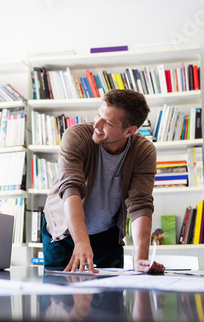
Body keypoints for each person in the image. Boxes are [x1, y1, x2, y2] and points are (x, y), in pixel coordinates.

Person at [42, 89, 164, 274]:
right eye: (98, 115)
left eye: (106, 122)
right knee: (61, 297)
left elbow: (140, 204)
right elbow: (71, 188)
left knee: (110, 298)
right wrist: (81, 242)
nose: (96, 124)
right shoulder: (76, 136)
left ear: (129, 131)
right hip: (64, 231)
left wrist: (141, 260)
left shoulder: (144, 151)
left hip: (107, 235)